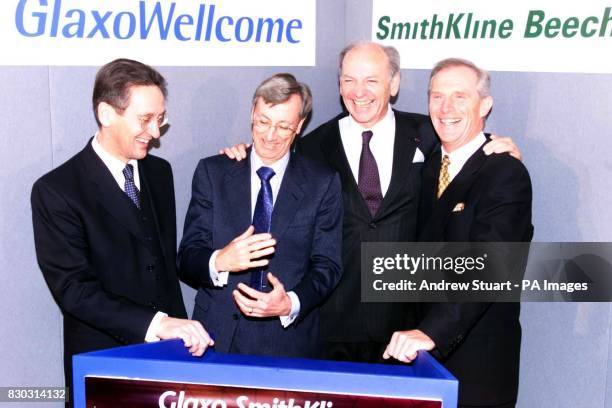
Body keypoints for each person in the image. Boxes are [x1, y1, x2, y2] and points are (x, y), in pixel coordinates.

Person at [221, 42, 520, 362]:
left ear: (394, 85)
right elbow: (273, 164)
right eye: (349, 80)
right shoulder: (312, 146)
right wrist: (244, 155)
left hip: (406, 329)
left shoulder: (429, 132)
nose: (359, 91)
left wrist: (496, 147)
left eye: (371, 81)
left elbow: (465, 156)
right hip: (330, 327)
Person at [31, 59, 214, 402]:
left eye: (160, 120)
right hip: (103, 368)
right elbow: (74, 291)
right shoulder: (57, 190)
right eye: (145, 120)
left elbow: (161, 267)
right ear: (106, 113)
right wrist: (159, 324)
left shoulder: (160, 173)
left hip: (170, 364)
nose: (156, 133)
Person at [382, 58, 533, 408]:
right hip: (419, 363)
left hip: (476, 368)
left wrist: (431, 332)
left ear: (485, 105)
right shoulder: (428, 163)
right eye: (437, 96)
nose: (446, 108)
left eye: (459, 97)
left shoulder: (504, 173)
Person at [178, 73, 342, 358]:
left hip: (288, 343)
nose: (270, 135)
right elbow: (187, 258)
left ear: (300, 126)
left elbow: (328, 265)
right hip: (216, 337)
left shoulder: (322, 182)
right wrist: (220, 260)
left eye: (283, 126)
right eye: (263, 121)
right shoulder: (213, 172)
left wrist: (289, 303)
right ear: (252, 113)